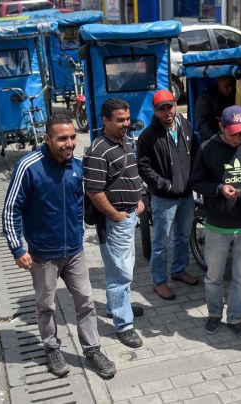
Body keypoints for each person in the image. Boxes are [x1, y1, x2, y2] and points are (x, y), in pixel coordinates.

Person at [1, 114, 116, 379]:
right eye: (62, 138)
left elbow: (78, 202)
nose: (70, 143)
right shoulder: (28, 167)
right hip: (43, 255)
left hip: (74, 252)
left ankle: (93, 349)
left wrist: (78, 230)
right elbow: (10, 209)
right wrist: (18, 248)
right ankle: (52, 348)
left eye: (73, 137)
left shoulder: (76, 166)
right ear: (47, 139)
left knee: (86, 301)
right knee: (46, 305)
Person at [191, 105, 241, 341]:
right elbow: (196, 182)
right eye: (234, 132)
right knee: (214, 276)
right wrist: (218, 189)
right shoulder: (207, 148)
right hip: (217, 226)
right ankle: (214, 314)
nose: (239, 137)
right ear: (221, 127)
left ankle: (236, 318)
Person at [83, 98, 145, 349]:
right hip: (116, 221)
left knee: (121, 268)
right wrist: (116, 215)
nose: (126, 124)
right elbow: (94, 192)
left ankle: (116, 307)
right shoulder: (97, 151)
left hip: (129, 215)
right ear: (105, 120)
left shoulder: (126, 142)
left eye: (127, 119)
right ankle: (123, 324)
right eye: (119, 120)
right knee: (121, 272)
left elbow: (132, 173)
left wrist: (138, 201)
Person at [137, 89, 200, 300]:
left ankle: (179, 270)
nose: (167, 112)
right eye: (161, 109)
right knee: (160, 243)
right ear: (155, 111)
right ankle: (159, 281)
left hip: (186, 195)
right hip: (165, 198)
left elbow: (197, 152)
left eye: (170, 106)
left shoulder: (185, 126)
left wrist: (195, 179)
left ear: (175, 105)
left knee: (183, 236)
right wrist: (164, 185)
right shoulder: (148, 136)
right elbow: (144, 167)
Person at [194, 75, 236, 142]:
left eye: (233, 86)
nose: (230, 89)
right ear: (218, 80)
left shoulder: (236, 95)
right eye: (227, 86)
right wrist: (222, 138)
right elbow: (204, 128)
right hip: (216, 140)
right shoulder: (205, 98)